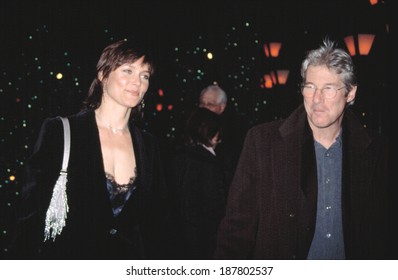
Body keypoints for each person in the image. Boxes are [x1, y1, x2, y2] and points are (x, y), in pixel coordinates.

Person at [214, 38, 390, 260]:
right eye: (310, 87)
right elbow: (236, 230)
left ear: (350, 93)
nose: (317, 99)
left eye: (328, 89)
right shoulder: (263, 142)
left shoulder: (379, 151)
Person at [13, 39, 170, 259]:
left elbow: (156, 223)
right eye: (128, 71)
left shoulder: (148, 145)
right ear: (103, 75)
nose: (137, 82)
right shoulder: (60, 132)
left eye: (145, 75)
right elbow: (30, 217)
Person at [172, 107, 229, 259]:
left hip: (178, 237)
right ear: (213, 135)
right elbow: (214, 208)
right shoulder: (209, 163)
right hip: (203, 240)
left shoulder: (179, 157)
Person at [198, 85, 248, 188]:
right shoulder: (194, 125)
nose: (204, 108)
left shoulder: (233, 131)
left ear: (222, 107)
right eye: (202, 104)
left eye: (210, 104)